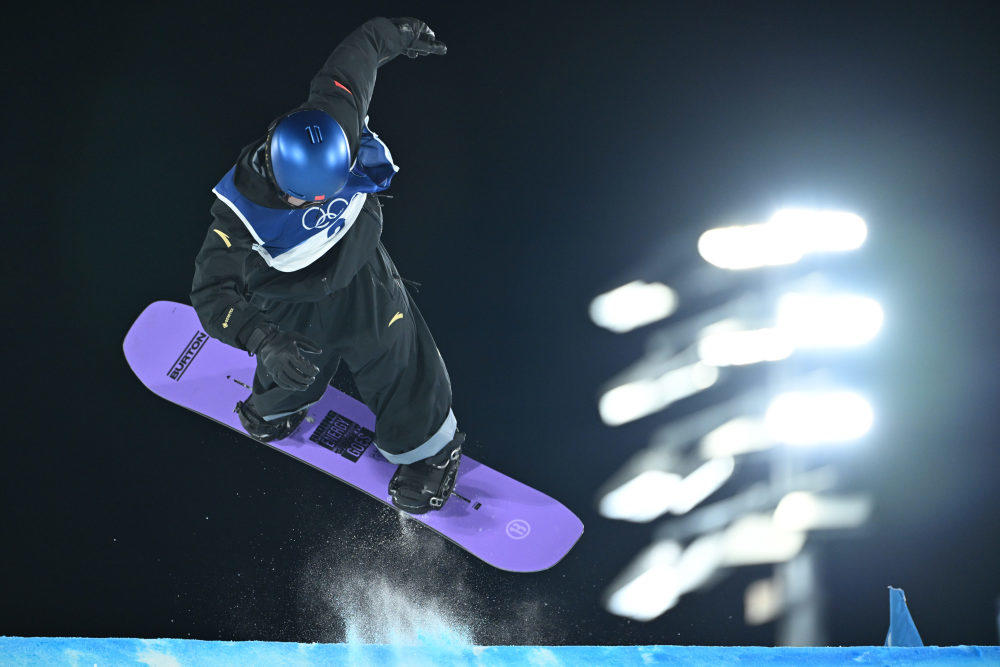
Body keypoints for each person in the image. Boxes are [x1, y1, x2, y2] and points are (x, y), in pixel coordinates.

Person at [190, 17, 463, 515]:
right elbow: (211, 294)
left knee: (392, 350)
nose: (310, 204)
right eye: (301, 198)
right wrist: (262, 340)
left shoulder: (338, 113)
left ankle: (429, 450)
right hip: (289, 294)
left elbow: (362, 49)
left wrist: (401, 32)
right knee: (289, 363)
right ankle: (282, 404)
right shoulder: (236, 214)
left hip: (359, 273)